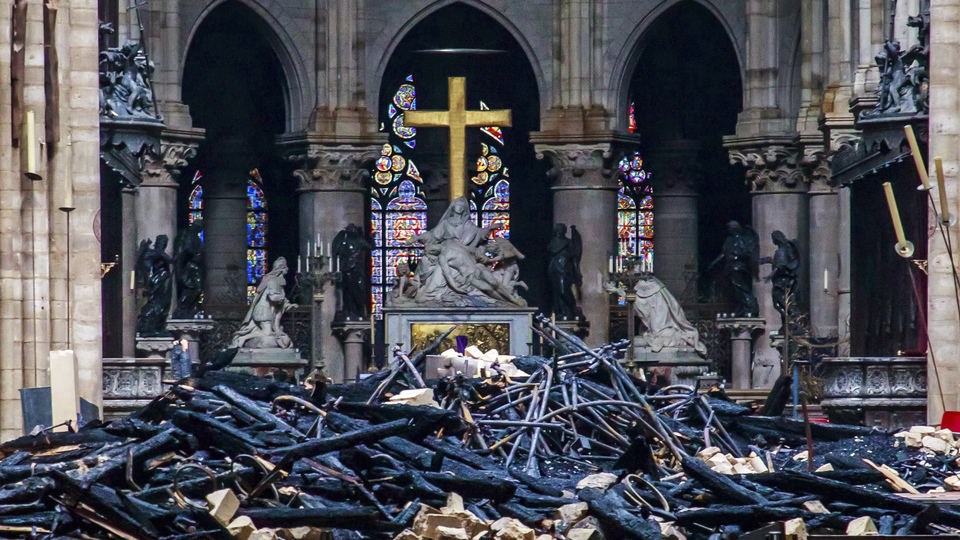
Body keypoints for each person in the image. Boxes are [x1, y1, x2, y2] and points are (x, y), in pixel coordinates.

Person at [231, 257, 297, 348]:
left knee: (268, 332)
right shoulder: (272, 280)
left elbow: (281, 296)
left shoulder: (278, 281)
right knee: (267, 332)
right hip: (263, 310)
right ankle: (243, 338)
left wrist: (288, 305)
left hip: (269, 310)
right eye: (285, 267)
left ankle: (244, 338)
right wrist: (281, 299)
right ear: (280, 269)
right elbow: (273, 297)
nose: (287, 269)